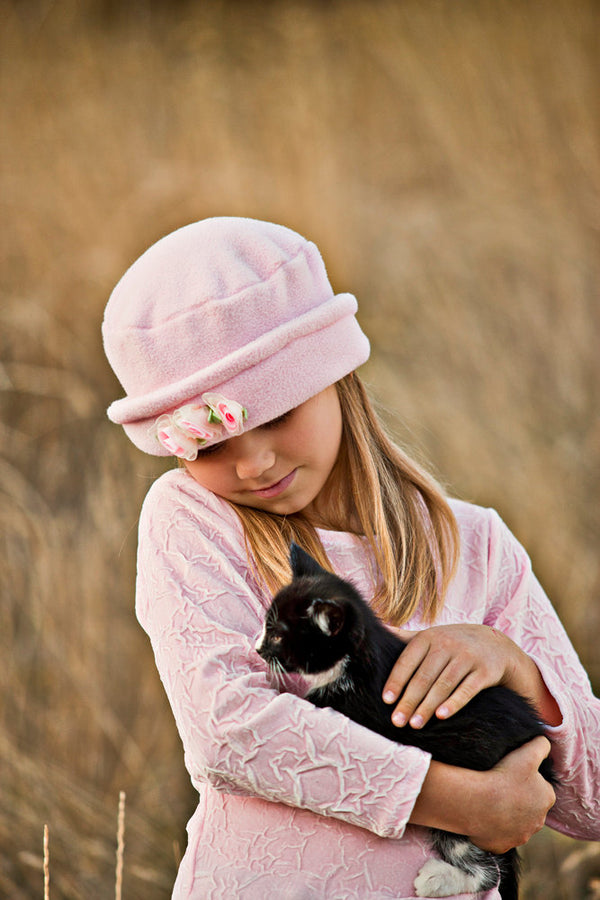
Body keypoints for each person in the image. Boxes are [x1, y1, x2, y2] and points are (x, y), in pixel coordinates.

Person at [102, 217, 600, 899]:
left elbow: (589, 805)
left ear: (335, 374)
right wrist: (461, 803)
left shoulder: (475, 547)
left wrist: (517, 670)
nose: (254, 462)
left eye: (277, 413)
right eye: (211, 446)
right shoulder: (193, 520)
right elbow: (232, 734)